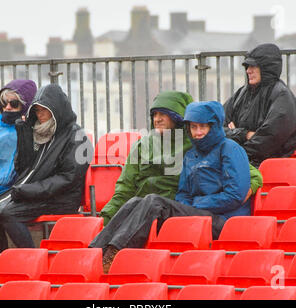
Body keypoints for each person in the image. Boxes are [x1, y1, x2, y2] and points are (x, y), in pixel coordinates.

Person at [89, 100, 252, 272]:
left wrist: (197, 203)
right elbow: (182, 193)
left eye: (202, 127)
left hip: (223, 220)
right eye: (193, 127)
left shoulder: (230, 149)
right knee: (136, 201)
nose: (197, 133)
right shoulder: (191, 155)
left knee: (154, 202)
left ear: (215, 126)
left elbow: (235, 195)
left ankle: (117, 254)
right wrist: (190, 204)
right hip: (199, 214)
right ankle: (95, 252)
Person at [100, 91, 263, 226]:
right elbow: (124, 189)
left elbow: (252, 176)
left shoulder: (198, 143)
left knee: (150, 204)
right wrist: (105, 218)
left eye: (163, 114)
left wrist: (245, 191)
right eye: (154, 114)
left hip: (168, 210)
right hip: (144, 209)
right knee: (132, 204)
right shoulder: (142, 146)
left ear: (177, 117)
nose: (157, 119)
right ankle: (98, 255)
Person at [0, 83, 93, 252]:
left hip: (62, 198)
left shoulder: (76, 136)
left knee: (9, 214)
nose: (40, 115)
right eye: (37, 111)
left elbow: (67, 178)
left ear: (57, 110)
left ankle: (32, 259)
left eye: (44, 110)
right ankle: (0, 258)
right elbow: (22, 168)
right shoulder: (38, 132)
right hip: (38, 193)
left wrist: (30, 190)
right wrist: (24, 135)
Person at [223, 43, 296, 167]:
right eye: (247, 66)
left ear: (266, 67)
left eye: (253, 66)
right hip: (239, 162)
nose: (248, 70)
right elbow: (216, 126)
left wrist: (235, 146)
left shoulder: (282, 97)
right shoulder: (242, 93)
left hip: (270, 167)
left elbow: (268, 141)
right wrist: (244, 134)